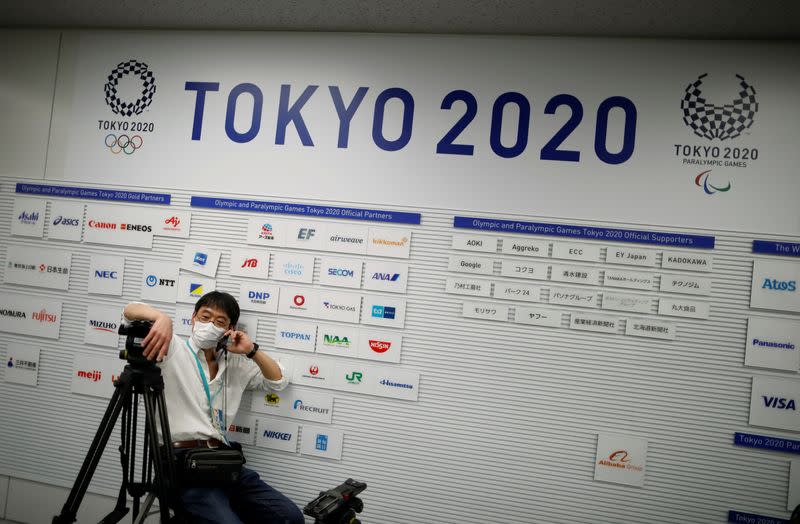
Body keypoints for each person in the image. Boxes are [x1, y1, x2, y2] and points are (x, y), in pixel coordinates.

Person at [123, 291, 305, 524]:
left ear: (230, 329)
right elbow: (130, 310)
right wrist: (162, 318)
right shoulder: (172, 349)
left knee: (289, 517)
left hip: (224, 462)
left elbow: (278, 380)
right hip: (183, 464)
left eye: (220, 322)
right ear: (193, 318)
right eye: (205, 317)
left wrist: (251, 350)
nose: (210, 325)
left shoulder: (235, 363)